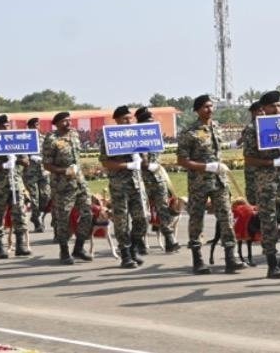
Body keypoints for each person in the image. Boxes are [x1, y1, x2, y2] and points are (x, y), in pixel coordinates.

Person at [177, 95, 244, 275]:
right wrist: (207, 167)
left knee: (226, 217)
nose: (210, 110)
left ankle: (230, 257)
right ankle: (198, 259)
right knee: (196, 219)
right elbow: (182, 161)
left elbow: (218, 147)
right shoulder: (189, 132)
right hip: (199, 183)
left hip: (219, 182)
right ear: (197, 110)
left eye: (211, 106)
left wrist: (237, 142)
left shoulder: (216, 127)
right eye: (206, 107)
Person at [243, 91, 280, 279]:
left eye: (278, 105)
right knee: (268, 223)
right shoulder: (253, 129)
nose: (277, 109)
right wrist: (273, 162)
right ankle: (272, 264)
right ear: (264, 109)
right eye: (272, 106)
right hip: (266, 182)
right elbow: (249, 158)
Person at [100, 106, 149, 269]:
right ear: (117, 120)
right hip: (119, 186)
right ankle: (126, 253)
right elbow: (105, 162)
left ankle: (134, 247)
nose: (129, 121)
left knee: (142, 218)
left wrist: (143, 157)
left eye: (130, 118)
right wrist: (127, 165)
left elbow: (144, 162)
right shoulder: (109, 137)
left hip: (137, 184)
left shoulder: (137, 135)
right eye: (125, 119)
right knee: (122, 221)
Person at [42, 111, 93, 265]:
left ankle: (79, 248)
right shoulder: (52, 139)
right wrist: (64, 171)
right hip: (62, 185)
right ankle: (64, 251)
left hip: (79, 182)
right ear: (57, 124)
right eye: (64, 121)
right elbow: (47, 165)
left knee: (88, 214)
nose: (68, 123)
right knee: (63, 218)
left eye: (69, 120)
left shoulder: (74, 135)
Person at [0, 115, 31, 259]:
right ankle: (0, 247)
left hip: (16, 183)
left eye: (8, 125)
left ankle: (20, 245)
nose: (6, 127)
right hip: (0, 185)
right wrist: (3, 165)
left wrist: (17, 160)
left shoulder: (16, 140)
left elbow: (26, 161)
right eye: (3, 125)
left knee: (19, 213)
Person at [135, 106, 180, 254]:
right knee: (140, 211)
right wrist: (145, 163)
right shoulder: (134, 136)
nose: (151, 123)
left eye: (152, 120)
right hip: (141, 179)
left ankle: (169, 239)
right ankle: (139, 241)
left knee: (163, 208)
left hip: (158, 178)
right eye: (148, 121)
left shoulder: (155, 135)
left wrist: (154, 166)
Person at [21, 117, 50, 233]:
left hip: (43, 171)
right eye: (34, 125)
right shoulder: (24, 139)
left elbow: (49, 152)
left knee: (46, 195)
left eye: (37, 125)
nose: (36, 127)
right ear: (29, 127)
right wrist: (29, 156)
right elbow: (19, 152)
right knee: (34, 198)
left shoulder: (43, 138)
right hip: (30, 172)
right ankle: (37, 220)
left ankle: (37, 215)